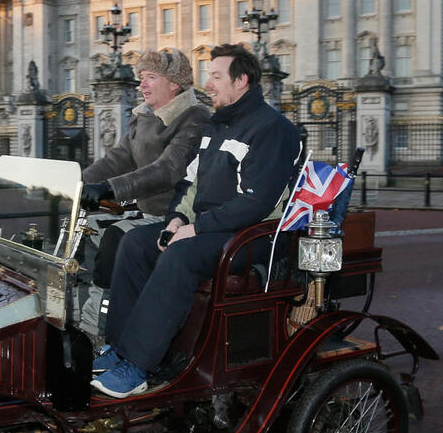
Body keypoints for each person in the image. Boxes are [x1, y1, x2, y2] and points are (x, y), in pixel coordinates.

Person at [91, 44, 302, 398]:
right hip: (211, 227)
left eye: (216, 76)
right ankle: (121, 347)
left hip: (251, 235)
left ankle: (140, 366)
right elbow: (190, 183)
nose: (208, 83)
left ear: (242, 81)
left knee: (180, 255)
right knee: (136, 243)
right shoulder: (217, 125)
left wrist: (195, 229)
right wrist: (176, 219)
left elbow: (255, 202)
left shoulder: (273, 129)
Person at [80, 49, 209, 285]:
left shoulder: (194, 117)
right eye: (142, 77)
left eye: (151, 76)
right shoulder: (145, 116)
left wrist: (109, 189)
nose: (142, 85)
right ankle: (84, 296)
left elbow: (168, 169)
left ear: (174, 84)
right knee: (83, 229)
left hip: (175, 215)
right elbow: (117, 159)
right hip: (146, 211)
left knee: (115, 238)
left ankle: (105, 308)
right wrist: (78, 181)